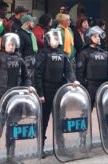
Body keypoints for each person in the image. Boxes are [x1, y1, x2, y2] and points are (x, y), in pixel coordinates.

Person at [0, 33, 34, 164]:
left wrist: (28, 86)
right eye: (9, 44)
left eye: (13, 44)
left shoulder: (20, 60)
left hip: (15, 98)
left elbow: (26, 77)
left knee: (13, 127)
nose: (12, 47)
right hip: (0, 98)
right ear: (4, 44)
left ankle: (10, 156)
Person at [34, 28, 79, 157]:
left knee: (60, 120)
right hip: (46, 91)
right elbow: (37, 75)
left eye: (57, 38)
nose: (56, 40)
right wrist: (40, 93)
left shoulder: (63, 54)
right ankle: (40, 148)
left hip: (59, 90)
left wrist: (74, 80)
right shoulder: (42, 55)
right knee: (43, 121)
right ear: (48, 40)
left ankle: (61, 147)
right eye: (54, 38)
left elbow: (68, 70)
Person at [76, 26, 108, 109]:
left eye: (98, 36)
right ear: (88, 38)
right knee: (86, 111)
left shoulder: (104, 53)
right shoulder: (84, 53)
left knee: (106, 110)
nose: (98, 38)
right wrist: (83, 87)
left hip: (103, 85)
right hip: (90, 86)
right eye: (95, 36)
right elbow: (80, 72)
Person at [17, 14, 38, 79]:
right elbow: (19, 50)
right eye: (32, 21)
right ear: (28, 22)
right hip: (26, 62)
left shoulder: (29, 33)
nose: (33, 23)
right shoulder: (21, 34)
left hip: (32, 61)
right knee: (27, 80)